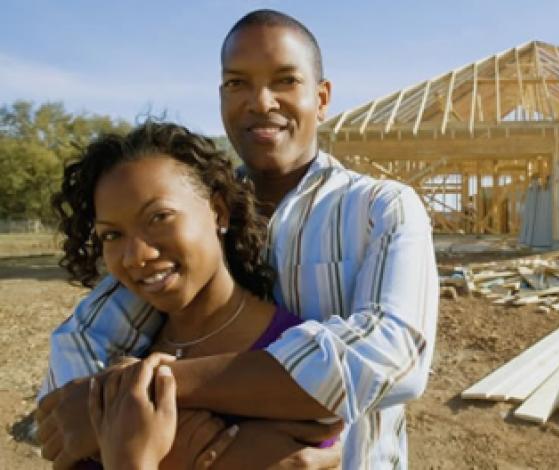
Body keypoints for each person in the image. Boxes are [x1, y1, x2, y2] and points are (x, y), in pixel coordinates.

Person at [36, 8, 438, 469]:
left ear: (322, 98)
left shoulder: (378, 209)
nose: (261, 101)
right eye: (237, 83)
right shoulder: (192, 212)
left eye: (285, 80)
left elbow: (393, 357)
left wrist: (147, 391)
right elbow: (85, 344)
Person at [45, 120, 340, 467]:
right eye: (112, 235)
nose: (135, 255)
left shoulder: (299, 369)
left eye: (159, 217)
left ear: (218, 211)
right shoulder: (111, 360)